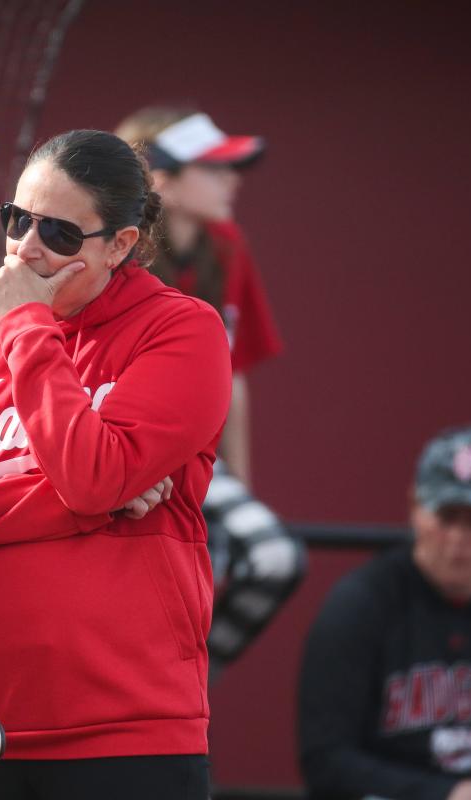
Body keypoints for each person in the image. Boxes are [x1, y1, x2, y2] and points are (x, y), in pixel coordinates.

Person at [0, 129, 232, 799]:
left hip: (123, 730)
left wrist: (25, 327)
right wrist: (97, 495)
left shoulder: (180, 329)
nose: (26, 247)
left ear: (121, 245)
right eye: (16, 220)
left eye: (61, 233)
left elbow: (92, 475)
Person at [116, 108, 305, 674]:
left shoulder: (227, 246)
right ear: (163, 183)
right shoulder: (117, 252)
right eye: (215, 170)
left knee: (264, 560)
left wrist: (239, 482)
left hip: (200, 464)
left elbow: (233, 375)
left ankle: (188, 680)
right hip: (128, 451)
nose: (233, 181)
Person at [298, 425, 471, 800]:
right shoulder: (360, 604)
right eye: (446, 516)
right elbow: (324, 760)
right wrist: (446, 794)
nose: (458, 538)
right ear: (414, 508)